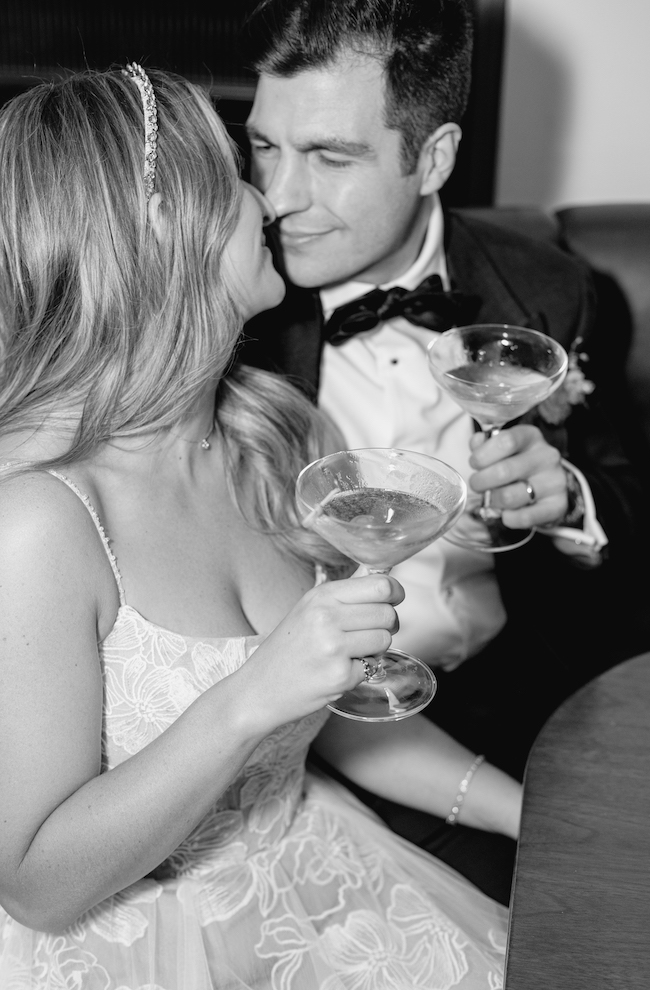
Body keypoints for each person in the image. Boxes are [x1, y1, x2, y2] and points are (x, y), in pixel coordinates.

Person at [0, 66, 519, 988]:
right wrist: (250, 697)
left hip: (313, 874)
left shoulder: (275, 435)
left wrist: (531, 814)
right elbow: (36, 887)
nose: (271, 197)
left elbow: (327, 721)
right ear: (166, 231)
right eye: (241, 171)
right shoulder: (41, 524)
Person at [238, 0, 650, 898]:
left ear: (434, 157)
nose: (277, 198)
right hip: (312, 741)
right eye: (266, 147)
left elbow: (635, 508)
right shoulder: (232, 307)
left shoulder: (550, 290)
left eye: (331, 157)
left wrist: (569, 499)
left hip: (519, 701)